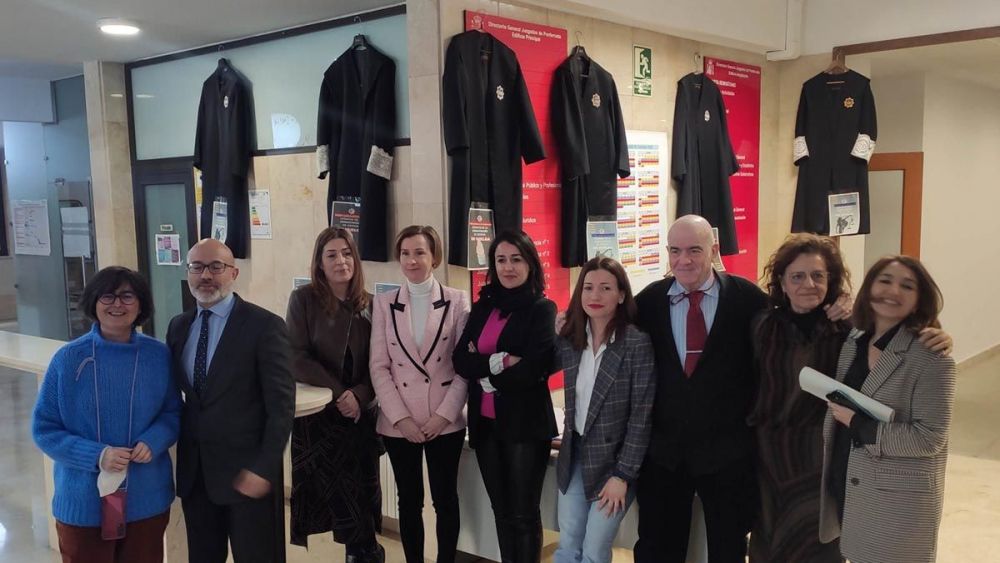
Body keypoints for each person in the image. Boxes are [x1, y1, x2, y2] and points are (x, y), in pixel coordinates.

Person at [630, 215, 854, 563]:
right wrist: (567, 322)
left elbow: (798, 317)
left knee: (728, 549)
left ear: (714, 250)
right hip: (664, 455)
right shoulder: (648, 302)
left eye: (694, 250)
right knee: (657, 549)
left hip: (728, 455)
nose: (683, 260)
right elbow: (606, 324)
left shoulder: (747, 299)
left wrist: (842, 303)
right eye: (675, 251)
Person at [748, 235, 953, 563]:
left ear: (830, 281)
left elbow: (898, 347)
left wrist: (939, 333)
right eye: (797, 276)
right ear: (782, 282)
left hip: (824, 455)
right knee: (769, 543)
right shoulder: (762, 326)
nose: (808, 284)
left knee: (820, 543)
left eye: (818, 275)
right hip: (770, 455)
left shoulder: (846, 329)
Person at [33, 266, 181, 563]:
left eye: (127, 296)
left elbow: (173, 412)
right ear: (94, 302)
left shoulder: (158, 355)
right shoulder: (69, 359)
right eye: (107, 296)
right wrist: (97, 455)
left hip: (146, 498)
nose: (117, 304)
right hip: (83, 501)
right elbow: (44, 429)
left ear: (140, 304)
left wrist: (153, 440)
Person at [819, 256, 956, 563]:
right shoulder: (854, 341)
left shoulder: (933, 357)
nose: (893, 291)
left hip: (899, 500)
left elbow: (929, 438)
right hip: (851, 480)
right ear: (869, 288)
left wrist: (859, 425)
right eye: (884, 281)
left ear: (920, 299)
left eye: (907, 286)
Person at [167, 238, 295, 563]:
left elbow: (281, 408)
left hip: (248, 476)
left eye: (216, 267)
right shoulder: (179, 327)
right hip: (197, 477)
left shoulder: (264, 326)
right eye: (197, 267)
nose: (205, 275)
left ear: (234, 273)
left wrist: (264, 467)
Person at [453, 230, 558, 563]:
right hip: (486, 425)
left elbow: (534, 369)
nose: (508, 267)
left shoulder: (542, 309)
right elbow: (460, 360)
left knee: (523, 514)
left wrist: (484, 371)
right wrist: (502, 362)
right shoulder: (484, 306)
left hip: (525, 426)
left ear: (530, 264)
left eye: (516, 259)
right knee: (501, 510)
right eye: (501, 260)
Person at [370, 225, 470, 563]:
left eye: (419, 253)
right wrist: (401, 419)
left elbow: (463, 366)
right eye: (405, 253)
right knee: (409, 501)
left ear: (434, 257)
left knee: (446, 499)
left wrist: (444, 415)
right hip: (400, 422)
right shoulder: (384, 303)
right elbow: (379, 367)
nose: (412, 260)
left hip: (445, 419)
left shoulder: (456, 300)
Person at [285, 227, 385, 562]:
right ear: (320, 263)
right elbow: (295, 356)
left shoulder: (372, 305)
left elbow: (381, 362)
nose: (341, 261)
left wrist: (359, 396)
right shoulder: (303, 300)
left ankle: (367, 554)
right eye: (332, 255)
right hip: (320, 424)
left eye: (346, 253)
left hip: (359, 420)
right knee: (340, 509)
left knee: (363, 509)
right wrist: (341, 394)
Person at [553, 256, 656, 563]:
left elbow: (641, 416)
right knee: (568, 543)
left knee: (594, 549)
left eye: (605, 288)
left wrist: (622, 475)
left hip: (615, 462)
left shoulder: (636, 343)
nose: (595, 296)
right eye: (588, 287)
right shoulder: (570, 339)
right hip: (574, 454)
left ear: (621, 295)